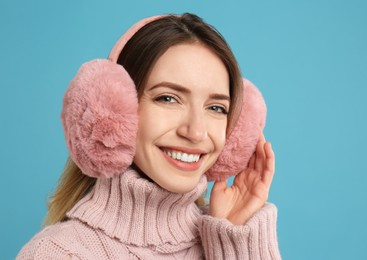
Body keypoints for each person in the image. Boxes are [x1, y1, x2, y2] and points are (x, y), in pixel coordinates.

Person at [17, 13, 281, 259]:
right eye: (168, 98)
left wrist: (237, 242)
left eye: (216, 107)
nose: (196, 132)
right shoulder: (57, 253)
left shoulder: (232, 239)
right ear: (113, 110)